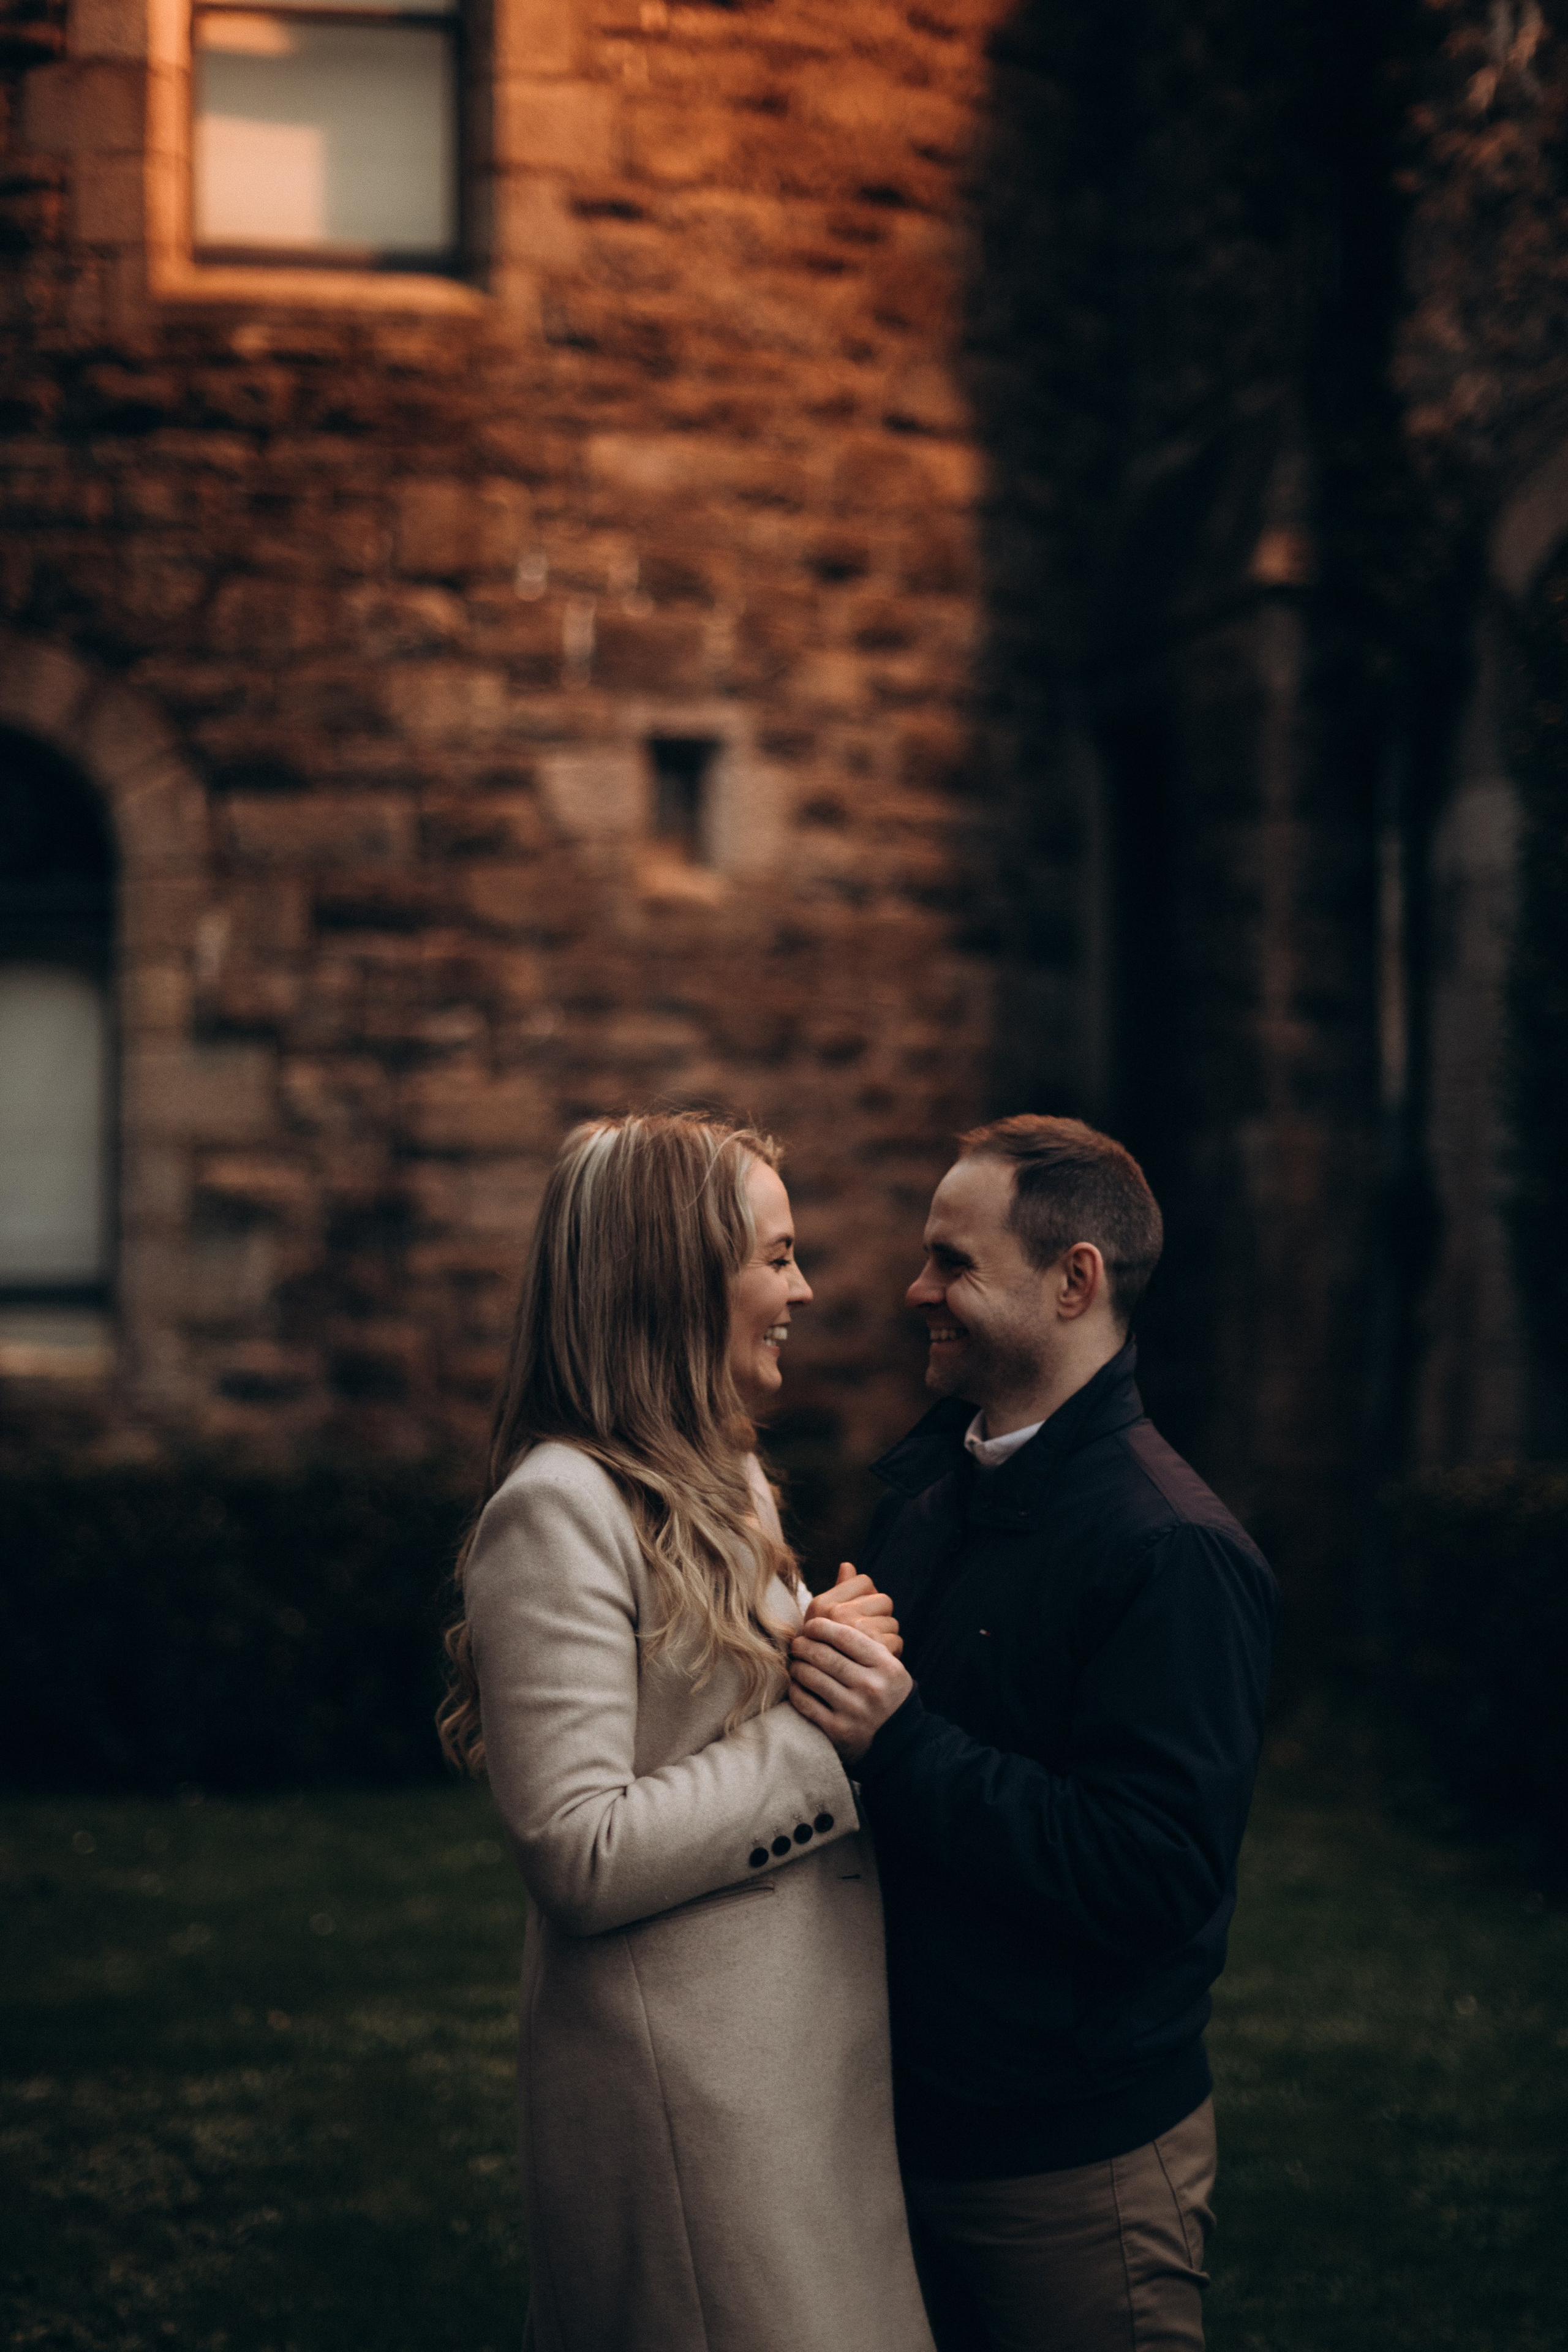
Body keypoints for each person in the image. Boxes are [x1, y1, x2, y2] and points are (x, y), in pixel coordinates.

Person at [438, 1112, 935, 2352]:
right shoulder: (555, 1509)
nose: (801, 1289)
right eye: (774, 1257)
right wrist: (822, 1731)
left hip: (792, 2087)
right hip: (695, 2117)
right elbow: (576, 1849)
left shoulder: (728, 1479)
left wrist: (818, 1644)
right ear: (675, 1278)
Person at [787, 1114, 1278, 2352]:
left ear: (1074, 1282)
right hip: (900, 2127)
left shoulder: (1170, 1550)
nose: (915, 1290)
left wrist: (896, 1741)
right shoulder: (929, 1502)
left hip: (1072, 2168)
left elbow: (1150, 1872)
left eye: (952, 1262)